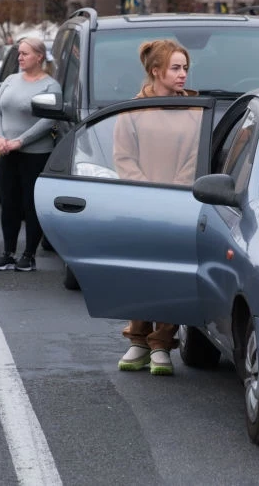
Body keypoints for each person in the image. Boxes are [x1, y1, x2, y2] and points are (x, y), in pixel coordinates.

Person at [113, 39, 200, 376]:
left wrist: (173, 190)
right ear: (156, 71)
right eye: (176, 68)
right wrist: (145, 191)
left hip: (178, 203)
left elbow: (195, 157)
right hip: (140, 204)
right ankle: (138, 337)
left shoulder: (195, 110)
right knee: (140, 271)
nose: (183, 74)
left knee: (171, 273)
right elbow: (123, 157)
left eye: (185, 68)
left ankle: (162, 342)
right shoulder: (131, 111)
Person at [0, 38, 60, 273]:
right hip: (7, 151)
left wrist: (21, 141)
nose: (20, 58)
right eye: (19, 54)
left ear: (39, 57)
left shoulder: (50, 86)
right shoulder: (10, 80)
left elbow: (49, 119)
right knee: (8, 203)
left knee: (31, 204)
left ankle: (28, 255)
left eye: (25, 54)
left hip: (35, 154)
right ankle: (8, 252)